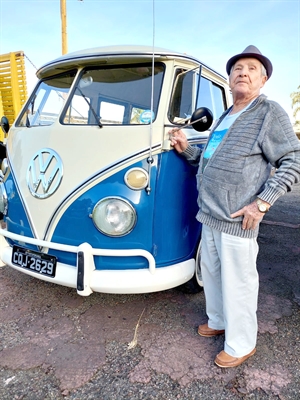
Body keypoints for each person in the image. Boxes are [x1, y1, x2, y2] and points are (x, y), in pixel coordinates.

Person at [169, 45, 300, 368]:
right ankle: (218, 320)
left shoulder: (268, 113)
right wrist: (187, 150)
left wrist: (263, 203)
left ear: (263, 79)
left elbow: (293, 160)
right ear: (229, 79)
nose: (243, 72)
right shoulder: (228, 115)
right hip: (210, 214)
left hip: (239, 218)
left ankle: (242, 343)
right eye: (238, 68)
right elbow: (210, 160)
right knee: (212, 275)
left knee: (239, 282)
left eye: (252, 68)